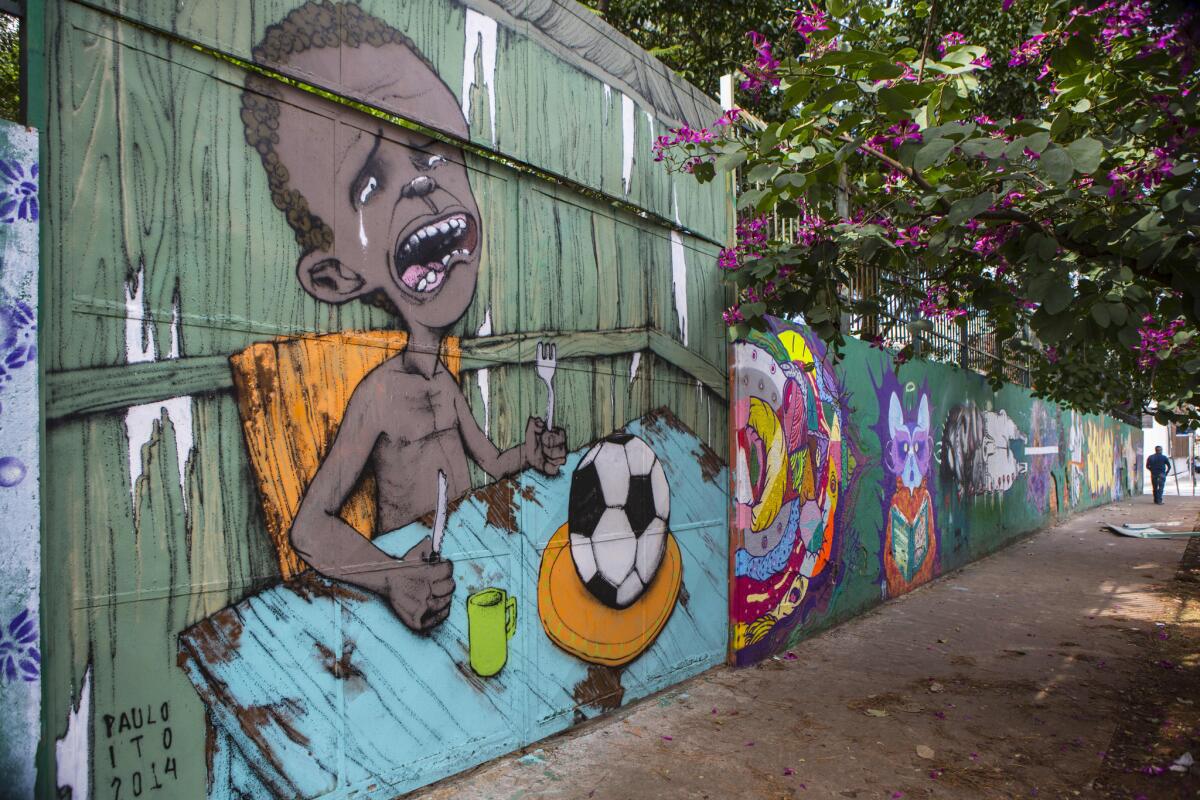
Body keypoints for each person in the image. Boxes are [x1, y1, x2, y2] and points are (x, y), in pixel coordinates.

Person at [241, 2, 568, 633]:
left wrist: (528, 451)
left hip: (469, 567)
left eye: (432, 149)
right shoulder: (382, 396)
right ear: (337, 276)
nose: (419, 183)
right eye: (367, 184)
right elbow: (309, 528)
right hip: (413, 592)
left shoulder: (440, 382)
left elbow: (491, 463)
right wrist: (392, 579)